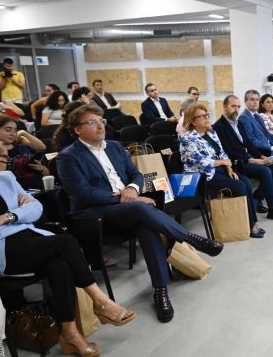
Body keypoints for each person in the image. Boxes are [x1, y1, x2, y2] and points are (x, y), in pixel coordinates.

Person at [56, 105, 224, 323]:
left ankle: (161, 291)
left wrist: (133, 189)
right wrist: (125, 198)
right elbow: (83, 193)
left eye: (102, 121)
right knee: (141, 208)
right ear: (77, 130)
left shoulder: (115, 147)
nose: (100, 126)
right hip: (94, 215)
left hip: (128, 208)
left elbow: (136, 174)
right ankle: (189, 238)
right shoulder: (68, 157)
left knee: (147, 227)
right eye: (92, 122)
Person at [0, 170, 136, 357]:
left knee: (60, 264)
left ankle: (70, 332)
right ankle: (100, 302)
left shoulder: (4, 178)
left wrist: (6, 217)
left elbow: (36, 208)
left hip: (31, 240)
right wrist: (20, 212)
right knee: (65, 242)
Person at [180, 102, 265, 238]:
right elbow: (200, 162)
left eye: (206, 115)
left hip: (219, 170)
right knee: (239, 186)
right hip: (202, 176)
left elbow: (222, 152)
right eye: (201, 117)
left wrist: (229, 167)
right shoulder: (187, 138)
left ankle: (252, 222)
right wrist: (222, 162)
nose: (206, 118)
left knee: (246, 182)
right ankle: (248, 225)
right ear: (193, 122)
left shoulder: (211, 133)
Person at [213, 95, 273, 222]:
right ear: (224, 107)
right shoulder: (218, 127)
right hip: (237, 163)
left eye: (238, 106)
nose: (236, 109)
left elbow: (248, 144)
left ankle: (256, 199)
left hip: (250, 157)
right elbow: (228, 152)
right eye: (233, 106)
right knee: (265, 171)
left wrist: (262, 157)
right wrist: (252, 160)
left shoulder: (238, 124)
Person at [0, 115, 48, 190]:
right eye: (8, 130)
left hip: (41, 189)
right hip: (15, 194)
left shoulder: (24, 147)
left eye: (15, 130)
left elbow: (47, 174)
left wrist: (42, 169)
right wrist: (3, 153)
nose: (13, 134)